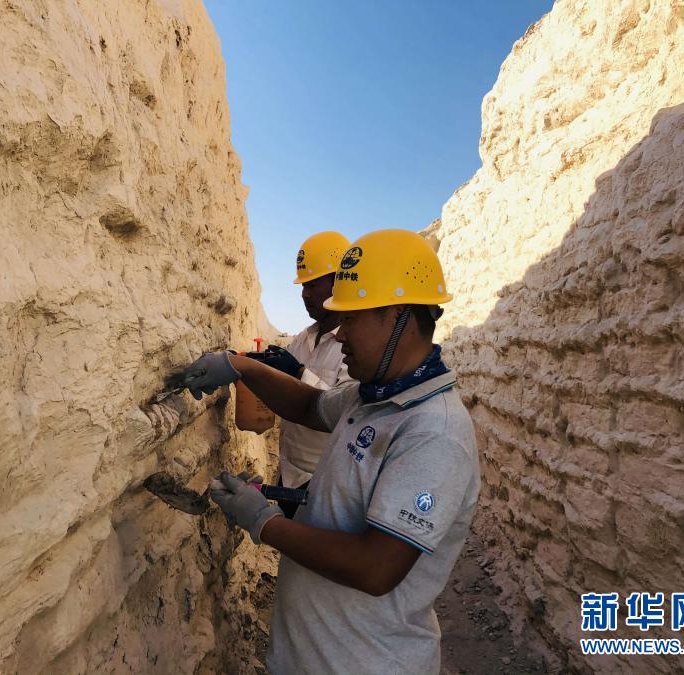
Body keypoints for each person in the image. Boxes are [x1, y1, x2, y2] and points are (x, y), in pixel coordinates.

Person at [183, 229, 480, 674]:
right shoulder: (372, 397)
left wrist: (263, 521)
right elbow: (309, 406)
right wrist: (241, 366)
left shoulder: (433, 433)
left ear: (397, 317)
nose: (339, 334)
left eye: (352, 319)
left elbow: (375, 567)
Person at [257, 231, 353, 516]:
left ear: (339, 282)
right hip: (289, 475)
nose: (305, 294)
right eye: (303, 285)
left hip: (324, 482)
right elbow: (274, 370)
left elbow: (345, 410)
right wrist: (246, 363)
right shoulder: (303, 339)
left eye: (313, 284)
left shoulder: (355, 346)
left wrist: (299, 373)